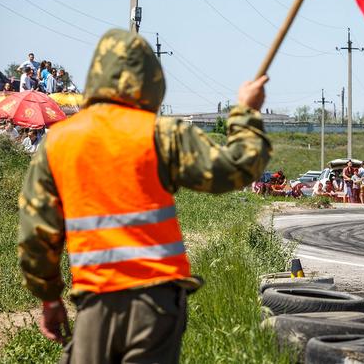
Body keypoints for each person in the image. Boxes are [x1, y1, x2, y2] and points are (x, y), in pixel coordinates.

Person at [17, 29, 271, 363]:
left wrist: (49, 299)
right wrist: (246, 112)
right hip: (156, 305)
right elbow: (234, 169)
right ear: (151, 78)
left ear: (96, 75)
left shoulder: (58, 142)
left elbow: (36, 234)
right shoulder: (162, 133)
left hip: (95, 301)